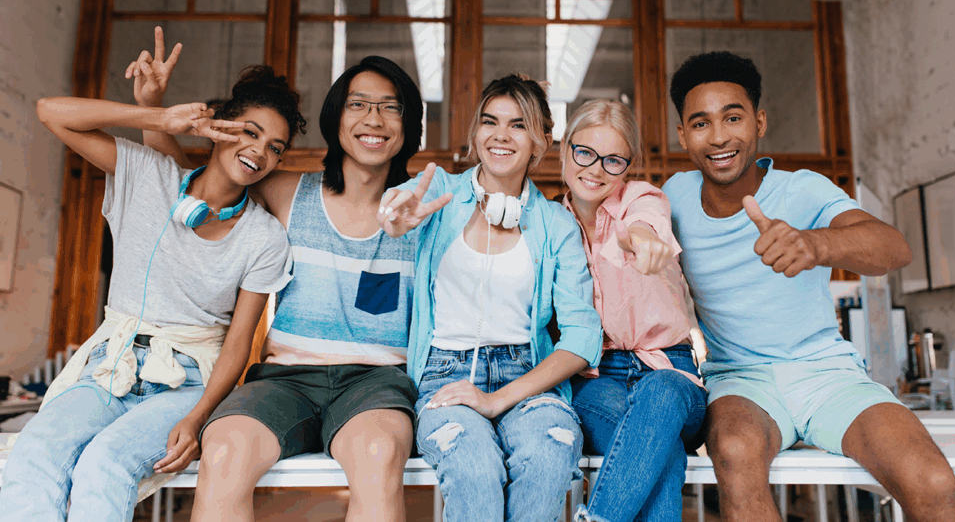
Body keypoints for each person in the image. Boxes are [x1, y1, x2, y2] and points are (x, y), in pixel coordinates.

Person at [131, 28, 428, 522]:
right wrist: (154, 110)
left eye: (391, 107)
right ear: (336, 120)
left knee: (378, 456)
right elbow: (193, 185)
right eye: (358, 104)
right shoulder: (288, 192)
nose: (373, 119)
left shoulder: (424, 209)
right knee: (223, 450)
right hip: (283, 381)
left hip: (378, 384)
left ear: (408, 125)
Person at [662, 51, 955, 522]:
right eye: (700, 123)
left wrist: (815, 243)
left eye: (733, 118)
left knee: (934, 482)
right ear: (682, 135)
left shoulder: (803, 189)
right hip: (741, 381)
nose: (719, 137)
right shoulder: (671, 198)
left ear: (759, 122)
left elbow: (894, 249)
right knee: (736, 454)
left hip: (827, 374)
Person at [0, 64, 301, 522]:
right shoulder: (149, 175)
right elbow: (50, 112)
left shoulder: (264, 238)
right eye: (249, 133)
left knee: (105, 464)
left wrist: (198, 417)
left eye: (273, 147)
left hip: (187, 382)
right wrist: (158, 117)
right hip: (109, 366)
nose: (259, 151)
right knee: (34, 454)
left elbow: (239, 344)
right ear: (218, 129)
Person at [376, 74, 603, 522]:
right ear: (475, 133)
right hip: (445, 375)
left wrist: (499, 400)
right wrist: (394, 216)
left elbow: (582, 337)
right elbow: (400, 201)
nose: (500, 135)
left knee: (551, 452)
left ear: (541, 140)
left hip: (527, 377)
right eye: (489, 122)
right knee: (475, 469)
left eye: (518, 125)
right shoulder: (440, 190)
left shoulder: (556, 223)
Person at [559, 100, 706, 522]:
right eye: (584, 152)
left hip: (671, 370)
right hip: (596, 376)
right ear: (565, 149)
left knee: (660, 394)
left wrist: (641, 238)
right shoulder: (552, 223)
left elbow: (646, 223)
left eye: (613, 160)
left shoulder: (642, 198)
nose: (595, 169)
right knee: (661, 451)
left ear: (629, 166)